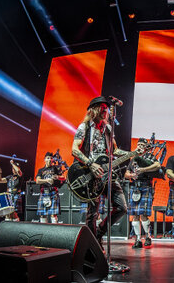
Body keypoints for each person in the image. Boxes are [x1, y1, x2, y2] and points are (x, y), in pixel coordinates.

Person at [72, 96, 129, 246]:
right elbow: (74, 150)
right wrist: (90, 164)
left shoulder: (108, 129)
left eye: (106, 108)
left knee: (122, 207)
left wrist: (133, 153)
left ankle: (99, 232)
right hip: (91, 174)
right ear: (94, 110)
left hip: (107, 173)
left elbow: (115, 151)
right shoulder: (84, 127)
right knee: (92, 213)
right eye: (102, 107)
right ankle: (92, 245)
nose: (106, 110)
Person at [123, 137, 160, 248]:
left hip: (145, 186)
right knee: (134, 215)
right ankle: (138, 239)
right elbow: (126, 174)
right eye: (138, 144)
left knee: (143, 215)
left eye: (142, 145)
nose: (139, 146)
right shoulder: (134, 158)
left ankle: (148, 237)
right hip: (135, 187)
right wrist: (132, 175)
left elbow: (157, 165)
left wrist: (143, 170)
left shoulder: (150, 157)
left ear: (146, 147)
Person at [36, 152, 62, 223]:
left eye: (51, 158)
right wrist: (46, 180)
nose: (50, 159)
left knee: (53, 214)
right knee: (42, 215)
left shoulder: (55, 168)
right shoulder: (41, 170)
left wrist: (57, 177)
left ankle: (54, 229)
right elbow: (37, 181)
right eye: (48, 158)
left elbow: (62, 177)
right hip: (43, 192)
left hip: (53, 192)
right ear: (44, 159)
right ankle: (44, 229)